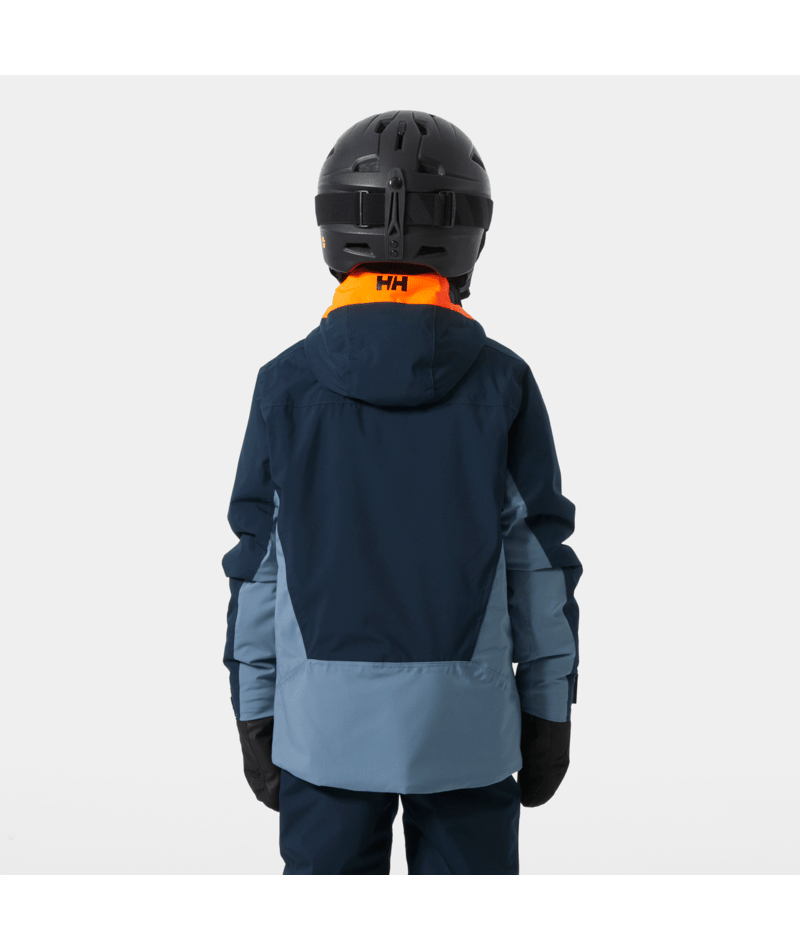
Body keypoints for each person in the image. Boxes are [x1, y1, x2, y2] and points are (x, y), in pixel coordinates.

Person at [222, 110, 582, 875]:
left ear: (332, 229)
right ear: (469, 233)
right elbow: (539, 567)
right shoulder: (503, 384)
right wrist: (550, 709)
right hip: (467, 738)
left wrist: (254, 710)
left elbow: (258, 569)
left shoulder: (284, 387)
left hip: (321, 738)